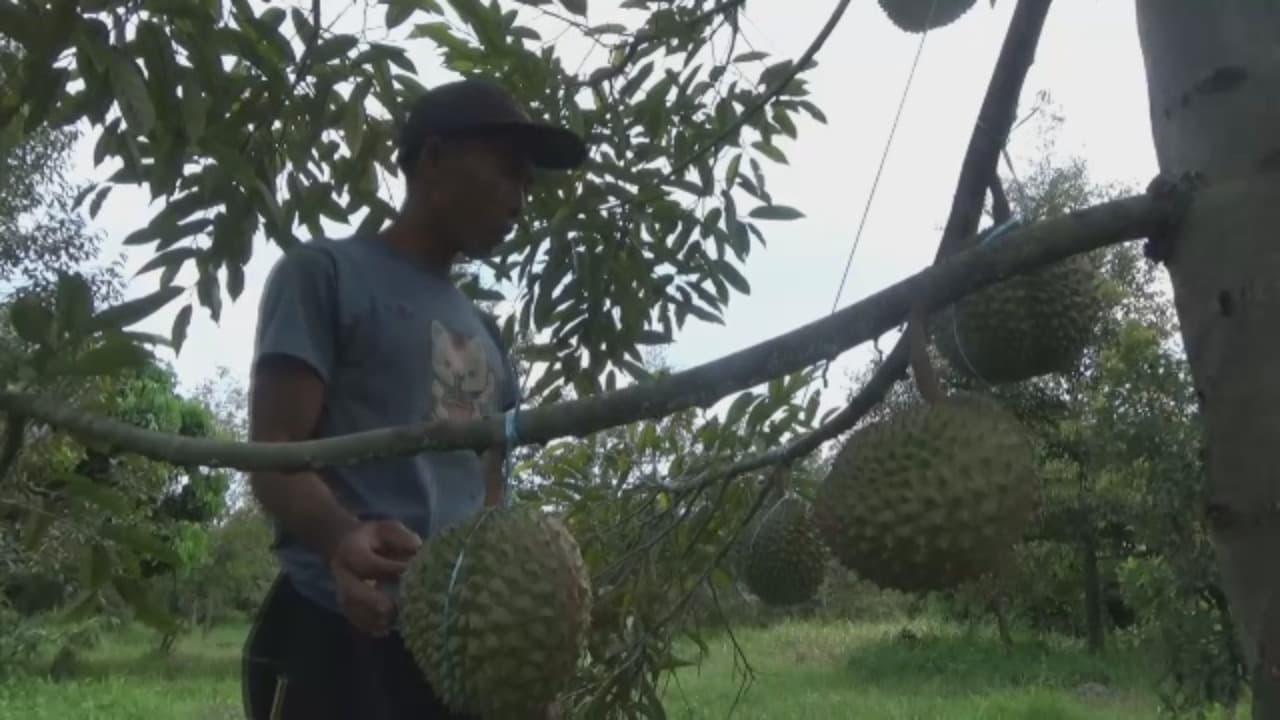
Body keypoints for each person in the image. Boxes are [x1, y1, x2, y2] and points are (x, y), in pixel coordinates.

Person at [239, 77, 587, 720]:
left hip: (458, 650)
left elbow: (489, 498)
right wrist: (341, 538)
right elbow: (274, 450)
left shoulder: (488, 336)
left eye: (528, 185)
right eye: (506, 171)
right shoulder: (325, 274)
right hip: (340, 632)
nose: (519, 200)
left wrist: (520, 671)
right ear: (433, 158)